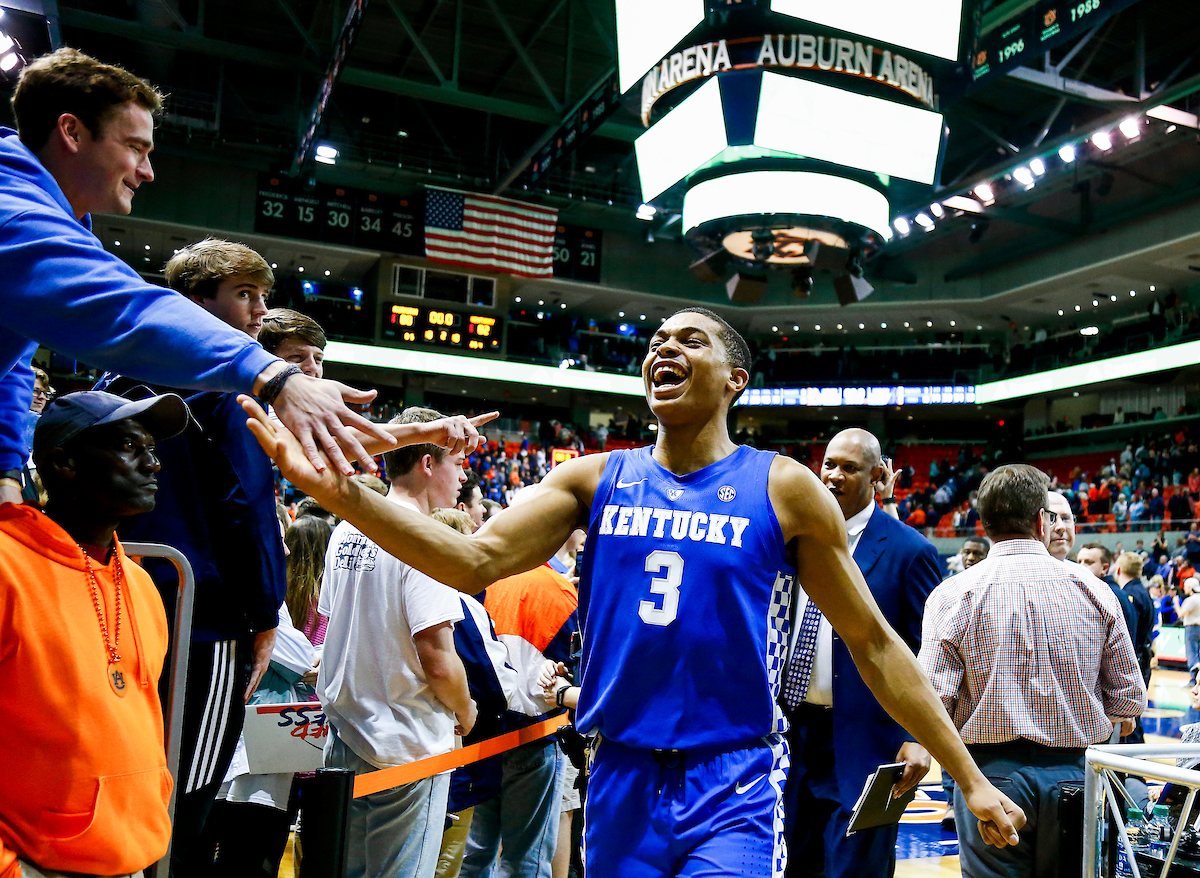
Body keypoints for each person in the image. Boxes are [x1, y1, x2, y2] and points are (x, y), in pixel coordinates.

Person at [241, 307, 1023, 878]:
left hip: (735, 778)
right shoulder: (593, 477)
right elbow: (472, 560)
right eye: (656, 342)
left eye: (691, 339)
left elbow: (876, 644)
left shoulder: (782, 487)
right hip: (619, 773)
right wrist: (339, 492)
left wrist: (971, 776)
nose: (665, 348)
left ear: (734, 380)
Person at [0, 48, 394, 509]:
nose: (148, 172)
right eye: (136, 148)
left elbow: (12, 365)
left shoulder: (39, 213)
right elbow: (125, 310)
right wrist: (273, 374)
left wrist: (7, 471)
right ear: (71, 132)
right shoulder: (15, 214)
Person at [920, 465, 1146, 878]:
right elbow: (1129, 698)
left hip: (990, 777)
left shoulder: (952, 595)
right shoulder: (1095, 590)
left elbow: (932, 705)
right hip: (1079, 774)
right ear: (1042, 521)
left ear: (983, 523)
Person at [0, 389, 187, 878]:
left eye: (153, 450)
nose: (153, 465)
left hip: (132, 859)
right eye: (130, 448)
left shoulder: (142, 583)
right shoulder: (6, 565)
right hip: (33, 865)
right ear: (64, 463)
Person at [319, 406, 477, 878]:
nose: (464, 475)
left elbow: (332, 624)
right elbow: (438, 659)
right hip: (405, 743)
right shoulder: (426, 538)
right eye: (458, 463)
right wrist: (467, 711)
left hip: (345, 734)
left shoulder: (349, 527)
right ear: (428, 465)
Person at [781, 428, 942, 878]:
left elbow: (928, 654)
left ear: (877, 478)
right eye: (829, 464)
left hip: (868, 744)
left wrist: (919, 736)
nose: (832, 476)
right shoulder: (792, 541)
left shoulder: (911, 552)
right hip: (793, 734)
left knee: (858, 869)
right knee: (791, 864)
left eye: (848, 468)